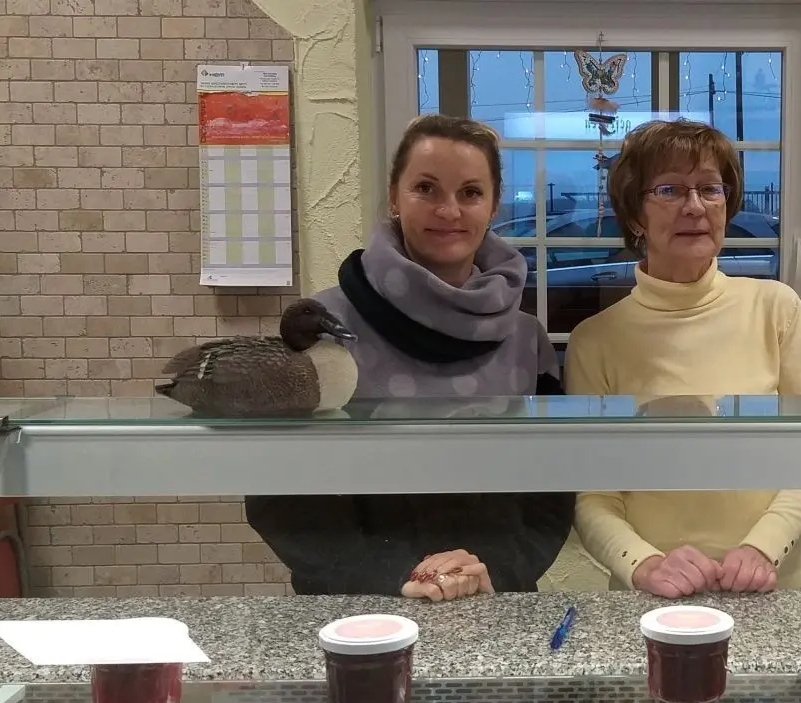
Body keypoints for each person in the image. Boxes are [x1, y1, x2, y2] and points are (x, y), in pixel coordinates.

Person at [245, 115, 574, 601]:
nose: (449, 209)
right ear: (394, 197)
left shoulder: (526, 338)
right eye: (426, 188)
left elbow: (553, 490)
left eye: (470, 192)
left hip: (492, 597)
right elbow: (278, 496)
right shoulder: (326, 327)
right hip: (357, 605)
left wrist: (493, 570)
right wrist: (397, 576)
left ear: (493, 206)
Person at [564, 119, 801, 598]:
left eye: (710, 189)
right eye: (669, 189)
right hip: (657, 597)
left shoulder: (776, 308)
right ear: (636, 215)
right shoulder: (595, 341)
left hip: (778, 590)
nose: (694, 207)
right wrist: (643, 564)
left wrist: (761, 549)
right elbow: (594, 497)